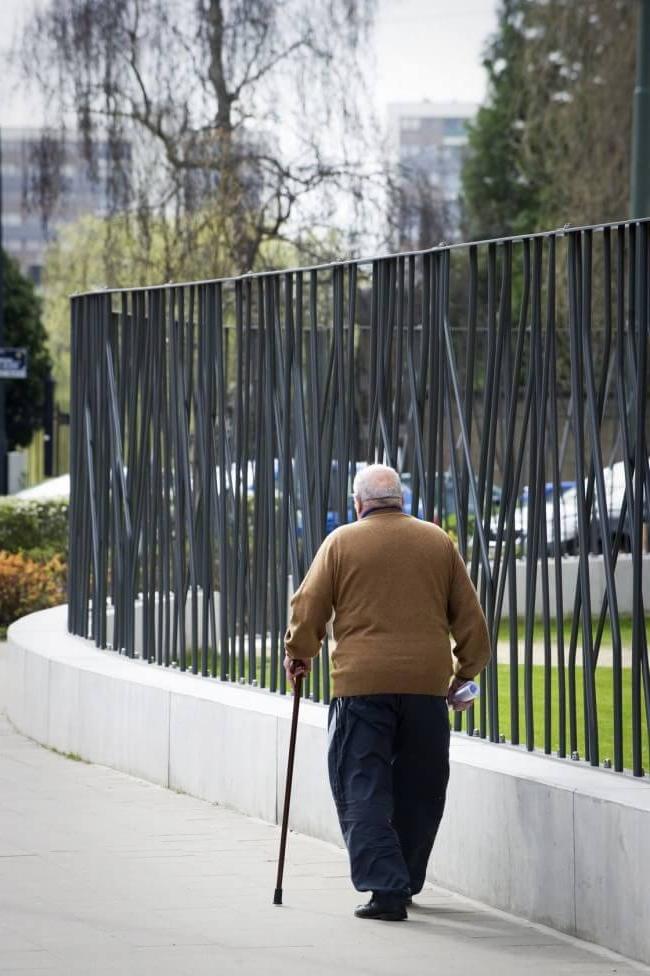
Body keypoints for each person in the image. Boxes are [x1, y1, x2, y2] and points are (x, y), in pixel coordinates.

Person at [283, 463, 490, 922]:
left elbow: (308, 607)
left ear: (359, 504)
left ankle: (387, 888)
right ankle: (407, 877)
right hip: (426, 689)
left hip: (362, 688)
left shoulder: (341, 542)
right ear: (401, 499)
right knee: (421, 787)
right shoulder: (438, 542)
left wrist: (299, 653)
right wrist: (463, 674)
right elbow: (472, 623)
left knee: (363, 786)